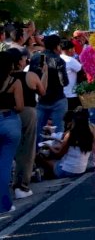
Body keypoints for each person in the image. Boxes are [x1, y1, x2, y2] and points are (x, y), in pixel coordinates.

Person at [8, 48, 46, 199]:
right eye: (24, 59)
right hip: (27, 112)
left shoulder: (5, 78)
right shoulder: (30, 76)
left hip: (6, 114)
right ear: (19, 61)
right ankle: (21, 185)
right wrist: (45, 73)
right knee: (27, 150)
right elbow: (42, 92)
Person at [36, 108, 95, 179]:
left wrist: (49, 146)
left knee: (40, 158)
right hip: (81, 170)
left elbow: (59, 153)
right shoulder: (90, 135)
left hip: (67, 171)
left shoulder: (70, 135)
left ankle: (41, 173)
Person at [0, 51, 24, 213]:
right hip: (10, 121)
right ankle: (4, 204)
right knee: (5, 165)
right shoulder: (14, 82)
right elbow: (20, 106)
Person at [36, 35, 69, 140]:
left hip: (41, 100)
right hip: (58, 99)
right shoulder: (59, 60)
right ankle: (56, 149)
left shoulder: (38, 58)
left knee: (37, 131)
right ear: (57, 46)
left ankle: (37, 149)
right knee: (58, 132)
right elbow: (64, 82)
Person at [61, 40, 83, 110]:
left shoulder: (57, 59)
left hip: (60, 94)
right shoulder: (70, 60)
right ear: (70, 49)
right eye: (74, 49)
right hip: (71, 94)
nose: (74, 51)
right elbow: (82, 70)